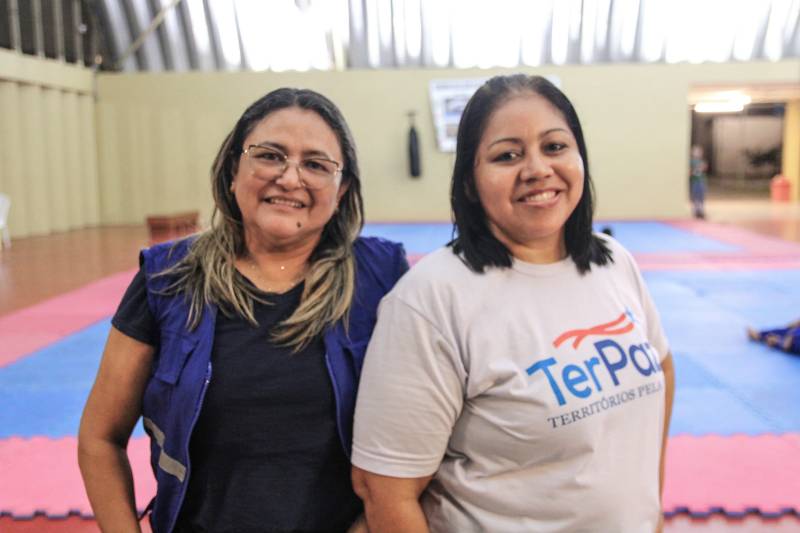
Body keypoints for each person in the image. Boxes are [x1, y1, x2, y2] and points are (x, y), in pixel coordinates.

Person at [351, 74, 675, 532]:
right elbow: (385, 490)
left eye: (555, 147)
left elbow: (661, 366)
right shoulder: (431, 299)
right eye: (507, 155)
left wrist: (651, 509)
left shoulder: (614, 261)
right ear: (469, 182)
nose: (537, 169)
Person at [78, 88, 408, 533]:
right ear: (234, 169)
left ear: (342, 189)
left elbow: (421, 442)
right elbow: (100, 437)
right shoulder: (167, 278)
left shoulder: (383, 279)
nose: (290, 178)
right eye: (270, 156)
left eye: (316, 164)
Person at [689, 144, 708, 219]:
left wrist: (702, 167)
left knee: (701, 196)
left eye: (699, 152)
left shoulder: (701, 161)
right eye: (695, 152)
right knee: (695, 196)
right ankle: (696, 210)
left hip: (701, 181)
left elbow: (704, 168)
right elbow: (691, 171)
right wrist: (694, 171)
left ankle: (701, 210)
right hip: (695, 181)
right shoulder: (691, 161)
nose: (697, 153)